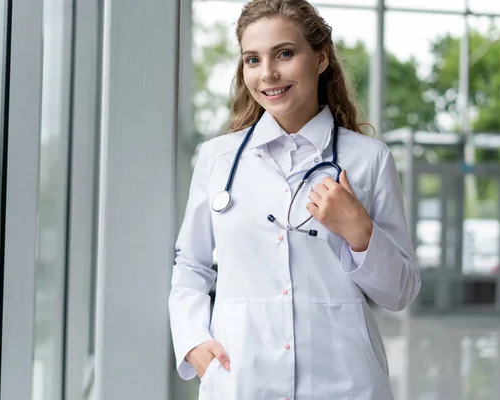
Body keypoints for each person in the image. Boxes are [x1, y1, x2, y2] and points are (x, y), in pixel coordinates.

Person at [168, 0, 421, 398]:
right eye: (252, 59)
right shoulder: (218, 158)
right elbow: (191, 265)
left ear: (320, 59)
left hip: (345, 381)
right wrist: (193, 342)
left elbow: (401, 292)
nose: (267, 73)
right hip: (242, 379)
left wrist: (360, 233)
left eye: (284, 54)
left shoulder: (369, 160)